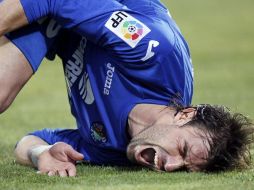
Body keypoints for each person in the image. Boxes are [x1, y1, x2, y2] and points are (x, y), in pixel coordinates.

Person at [0, 0, 253, 177]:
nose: (171, 166)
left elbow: (32, 141)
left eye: (185, 168)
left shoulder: (115, 151)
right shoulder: (153, 53)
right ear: (185, 115)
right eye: (183, 150)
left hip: (59, 22)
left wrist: (41, 154)